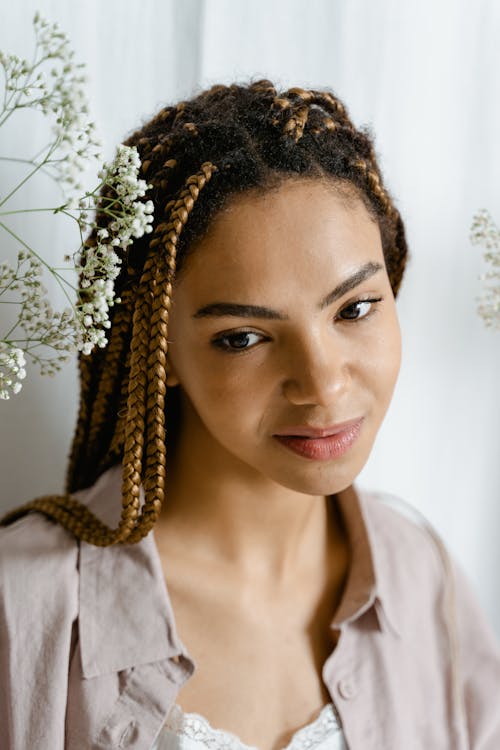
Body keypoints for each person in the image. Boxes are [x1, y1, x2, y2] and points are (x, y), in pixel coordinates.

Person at [0, 79, 499, 750]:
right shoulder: (23, 604)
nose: (322, 385)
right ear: (159, 350)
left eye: (355, 308)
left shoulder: (424, 576)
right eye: (243, 337)